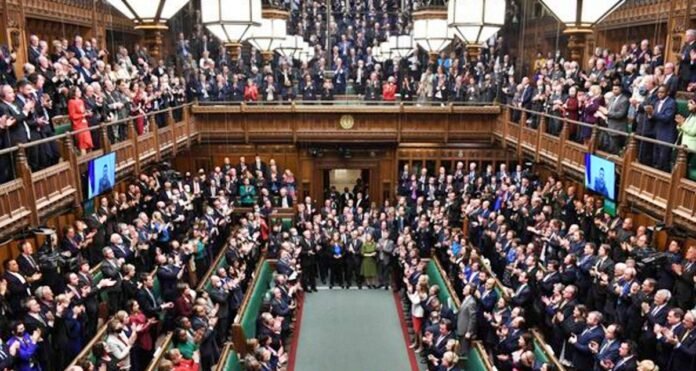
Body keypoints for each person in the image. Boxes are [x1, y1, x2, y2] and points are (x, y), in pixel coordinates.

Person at [67, 86, 93, 154]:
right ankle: (84, 162)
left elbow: (83, 112)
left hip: (85, 124)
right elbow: (72, 116)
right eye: (78, 91)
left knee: (89, 143)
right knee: (83, 145)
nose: (80, 92)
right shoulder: (71, 102)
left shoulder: (81, 101)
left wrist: (87, 113)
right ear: (74, 93)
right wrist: (83, 115)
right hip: (78, 125)